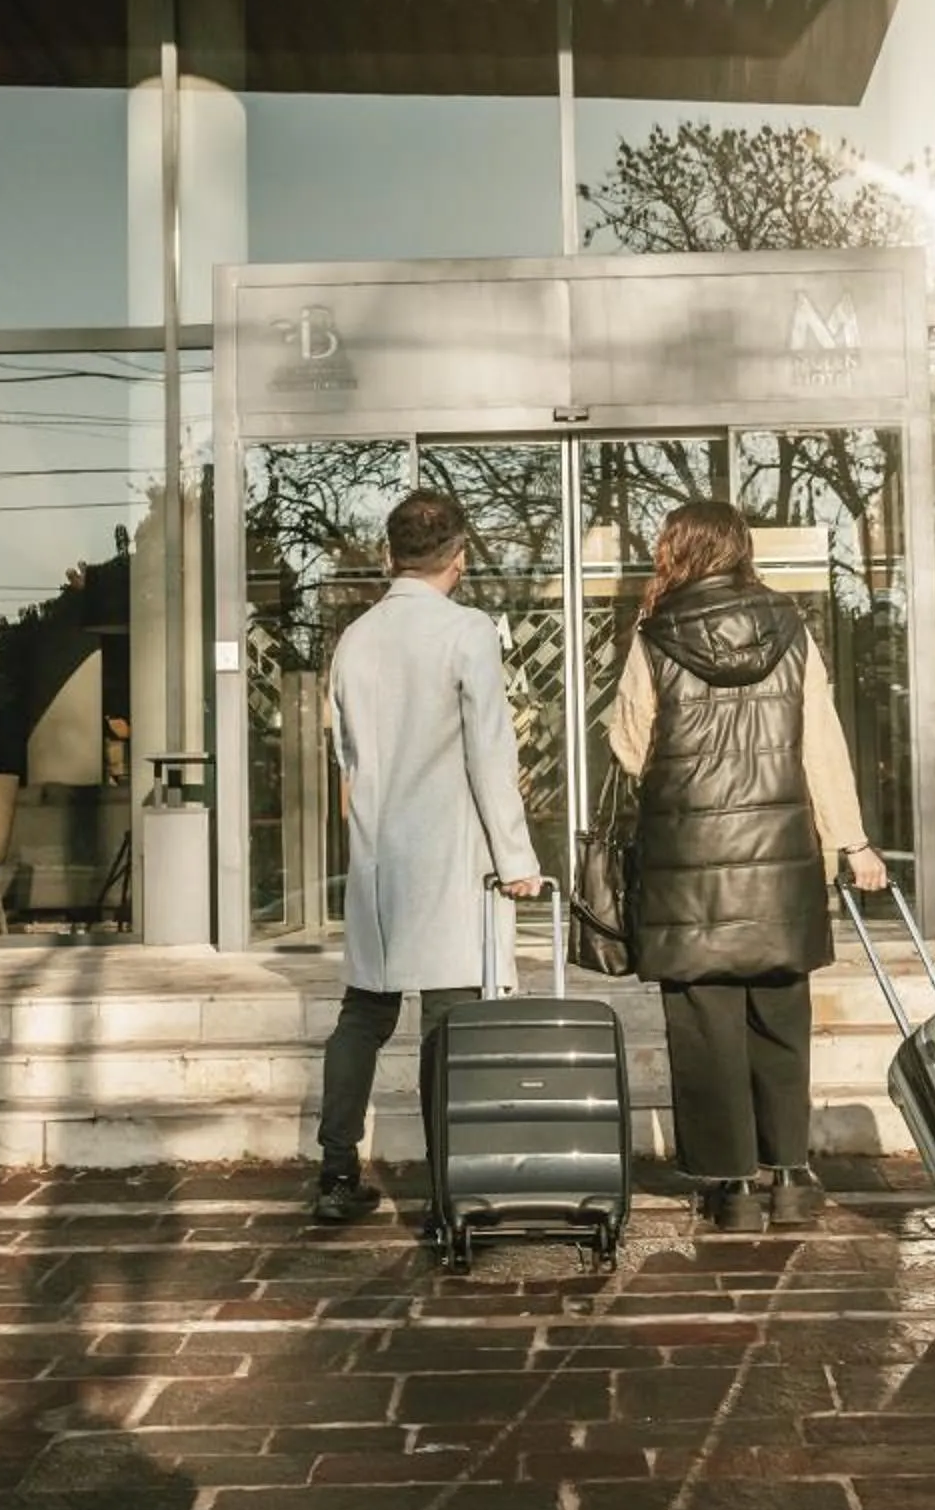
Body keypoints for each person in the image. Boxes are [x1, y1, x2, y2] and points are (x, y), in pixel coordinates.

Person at [608, 499, 891, 1234]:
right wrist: (853, 842)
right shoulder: (793, 628)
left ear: (677, 551)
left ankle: (730, 1188)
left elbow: (630, 745)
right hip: (779, 857)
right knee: (780, 1012)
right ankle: (792, 1175)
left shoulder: (655, 634)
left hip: (691, 866)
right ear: (741, 550)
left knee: (705, 1021)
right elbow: (819, 744)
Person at [309, 489, 543, 1225]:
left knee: (362, 1015)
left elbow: (346, 754)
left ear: (389, 555)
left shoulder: (356, 638)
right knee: (451, 1018)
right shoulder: (468, 631)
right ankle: (450, 1188)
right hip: (450, 853)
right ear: (460, 557)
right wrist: (516, 858)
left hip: (380, 855)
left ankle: (337, 1173)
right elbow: (489, 753)